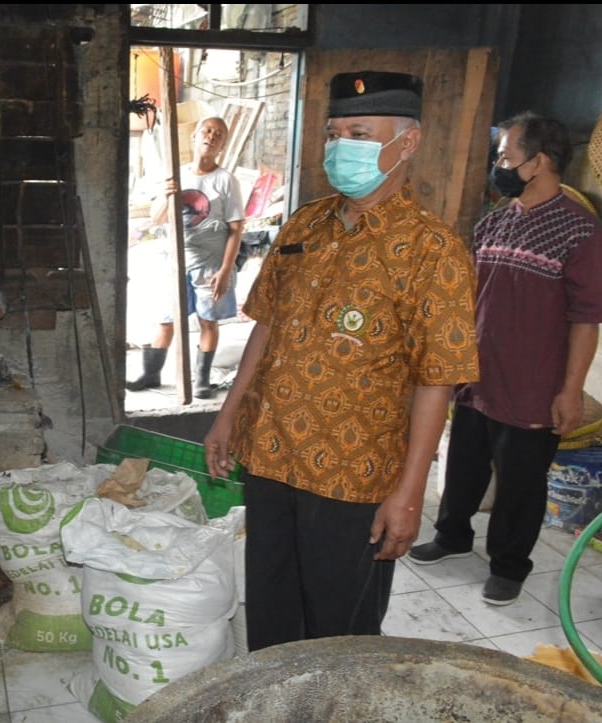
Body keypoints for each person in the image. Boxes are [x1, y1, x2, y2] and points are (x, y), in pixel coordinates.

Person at [203, 70, 479, 650]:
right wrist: (229, 416)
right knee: (273, 609)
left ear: (407, 143)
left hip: (352, 476)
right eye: (333, 133)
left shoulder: (434, 250)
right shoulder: (305, 223)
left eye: (358, 132)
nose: (338, 147)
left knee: (339, 631)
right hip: (272, 453)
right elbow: (267, 326)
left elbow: (438, 380)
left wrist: (408, 494)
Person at [408, 112, 602, 606]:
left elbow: (586, 321)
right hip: (477, 374)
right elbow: (470, 297)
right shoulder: (494, 222)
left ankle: (509, 564)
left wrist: (568, 391)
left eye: (506, 155)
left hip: (533, 384)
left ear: (539, 162)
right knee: (464, 462)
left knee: (520, 480)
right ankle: (454, 535)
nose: (498, 165)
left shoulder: (582, 233)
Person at [126, 115, 245, 399]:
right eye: (207, 130)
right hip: (176, 262)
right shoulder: (177, 176)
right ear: (194, 137)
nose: (211, 137)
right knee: (166, 319)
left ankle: (201, 380)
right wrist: (167, 195)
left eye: (218, 135)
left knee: (207, 321)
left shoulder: (226, 181)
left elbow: (237, 230)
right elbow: (156, 219)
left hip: (210, 264)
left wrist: (226, 270)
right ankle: (150, 374)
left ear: (222, 146)